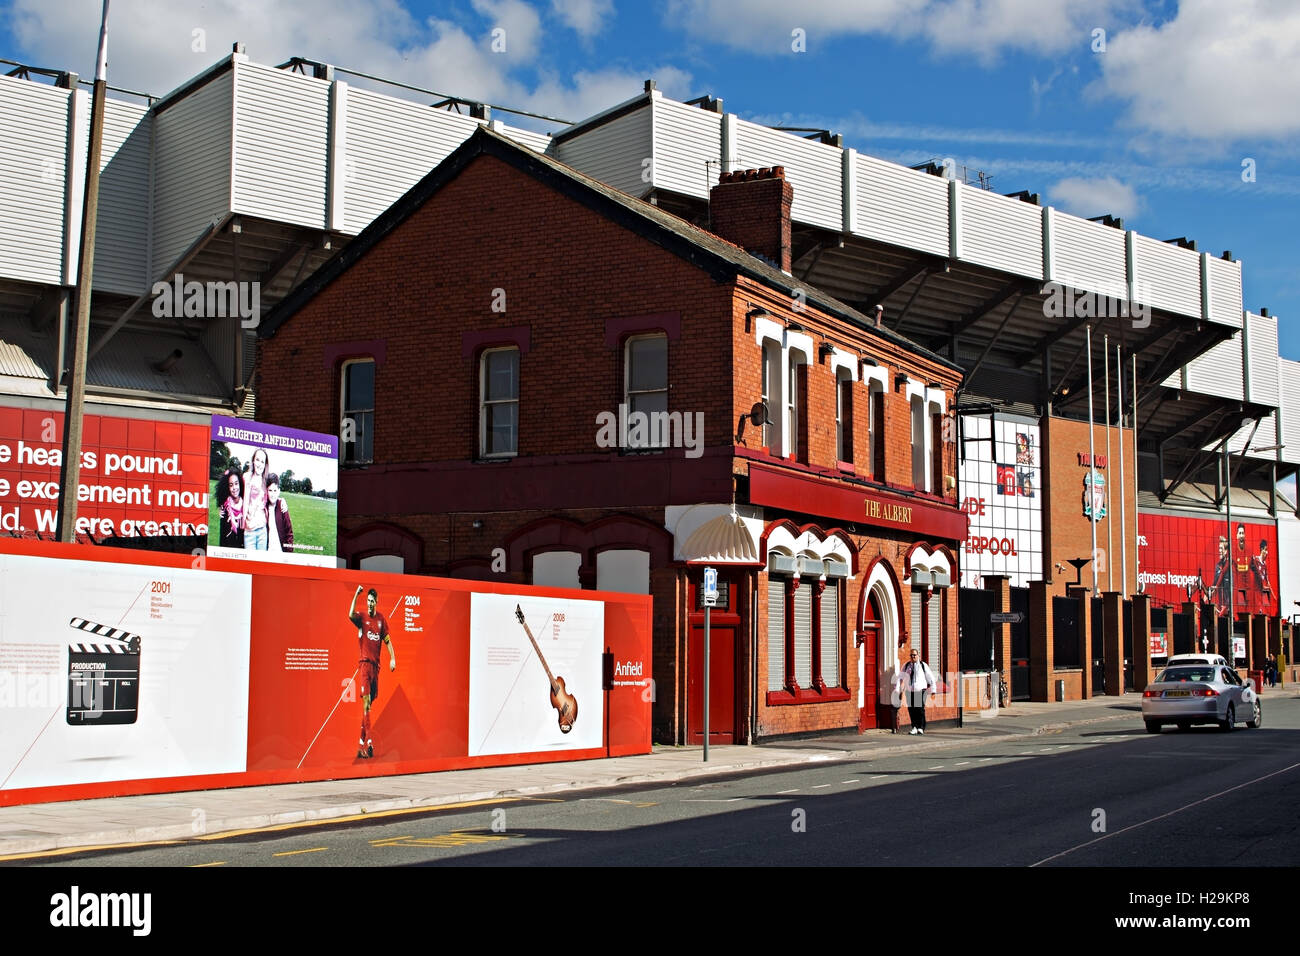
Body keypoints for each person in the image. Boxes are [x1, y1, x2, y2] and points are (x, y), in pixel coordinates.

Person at [348, 585, 395, 759]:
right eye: (367, 601)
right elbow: (349, 614)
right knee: (366, 704)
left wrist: (392, 658)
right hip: (365, 666)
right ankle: (369, 743)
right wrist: (356, 594)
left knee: (368, 706)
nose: (369, 604)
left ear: (376, 602)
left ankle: (361, 744)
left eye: (371, 601)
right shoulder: (361, 618)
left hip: (376, 669)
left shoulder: (381, 620)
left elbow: (388, 641)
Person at [895, 647, 937, 735]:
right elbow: (900, 678)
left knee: (919, 709)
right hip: (909, 691)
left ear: (918, 656)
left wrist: (933, 689)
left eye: (914, 655)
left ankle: (921, 727)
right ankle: (914, 727)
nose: (913, 657)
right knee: (911, 709)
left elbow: (930, 677)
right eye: (911, 655)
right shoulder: (906, 665)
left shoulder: (923, 665)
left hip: (920, 690)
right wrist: (897, 688)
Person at [243, 448, 270, 551]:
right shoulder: (246, 477)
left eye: (262, 461)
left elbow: (274, 494)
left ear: (265, 465)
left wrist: (282, 502)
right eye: (257, 460)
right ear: (253, 461)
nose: (259, 464)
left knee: (261, 564)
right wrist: (223, 507)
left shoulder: (266, 481)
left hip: (262, 531)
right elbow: (234, 494)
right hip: (249, 531)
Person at [215, 469, 245, 548]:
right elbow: (223, 537)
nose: (234, 488)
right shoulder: (225, 508)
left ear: (240, 484)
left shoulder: (246, 505)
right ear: (227, 487)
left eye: (236, 484)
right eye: (231, 485)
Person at [266, 472, 294, 553]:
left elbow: (289, 533)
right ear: (266, 491)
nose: (273, 494)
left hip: (281, 551)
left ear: (279, 491)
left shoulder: (282, 507)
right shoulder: (264, 507)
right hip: (268, 551)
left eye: (275, 490)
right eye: (270, 490)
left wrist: (289, 552)